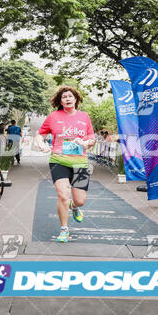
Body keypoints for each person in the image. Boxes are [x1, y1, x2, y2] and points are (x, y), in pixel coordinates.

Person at [34, 86, 95, 243]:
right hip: (58, 160)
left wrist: (84, 143)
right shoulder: (54, 116)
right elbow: (40, 134)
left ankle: (75, 207)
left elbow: (91, 139)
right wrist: (41, 144)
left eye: (70, 96)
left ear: (76, 99)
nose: (67, 99)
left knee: (80, 200)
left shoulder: (84, 116)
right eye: (64, 97)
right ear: (60, 101)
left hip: (80, 162)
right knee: (63, 195)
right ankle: (64, 230)